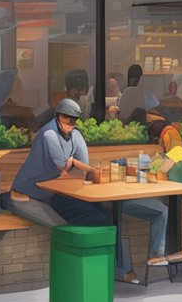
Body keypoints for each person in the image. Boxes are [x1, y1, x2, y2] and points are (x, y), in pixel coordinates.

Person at [10, 98, 166, 285]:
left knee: (108, 217)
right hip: (39, 192)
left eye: (75, 120)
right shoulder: (49, 135)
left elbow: (86, 167)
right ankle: (116, 270)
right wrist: (76, 164)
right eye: (68, 119)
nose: (72, 124)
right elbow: (63, 166)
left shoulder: (75, 135)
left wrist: (82, 167)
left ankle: (121, 268)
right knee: (101, 221)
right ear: (58, 116)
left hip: (66, 190)